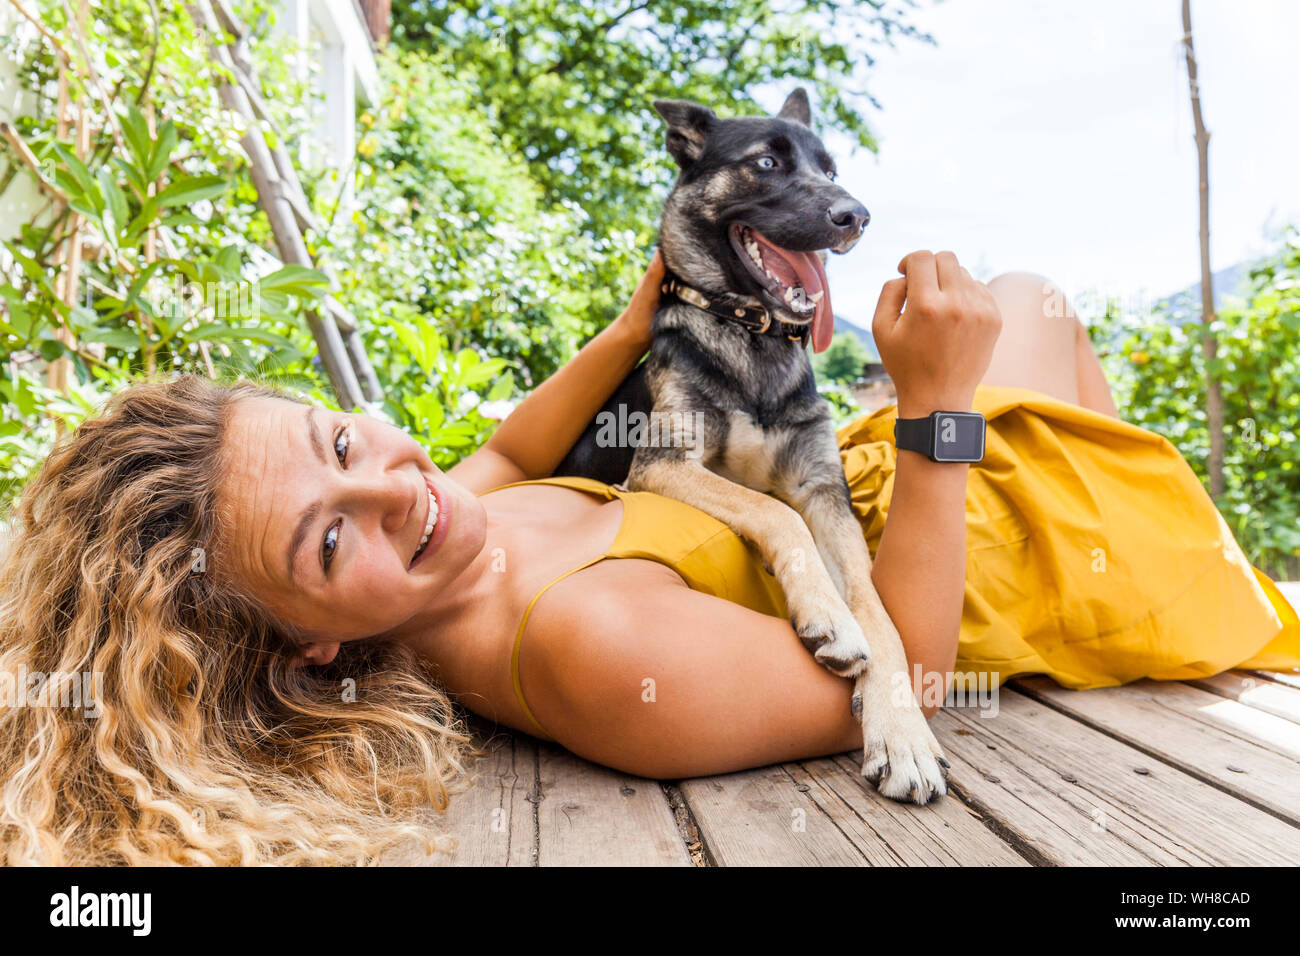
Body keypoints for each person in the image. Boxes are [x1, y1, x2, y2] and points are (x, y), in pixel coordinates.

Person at [2, 250, 1295, 865]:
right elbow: (908, 671)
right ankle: (1157, 569)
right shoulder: (589, 652)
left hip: (872, 482)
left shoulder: (443, 527)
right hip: (980, 543)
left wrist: (644, 311)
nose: (395, 486)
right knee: (1027, 317)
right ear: (309, 640)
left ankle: (1173, 540)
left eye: (343, 436)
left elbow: (506, 453)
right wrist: (935, 411)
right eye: (330, 536)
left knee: (1029, 302)